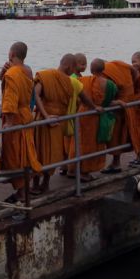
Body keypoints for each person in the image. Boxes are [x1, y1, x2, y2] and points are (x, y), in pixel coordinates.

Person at [33, 54, 97, 192]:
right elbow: (85, 99)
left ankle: (37, 184)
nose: (74, 72)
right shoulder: (71, 82)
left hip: (44, 120)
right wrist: (95, 108)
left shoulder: (46, 75)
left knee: (39, 153)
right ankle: (44, 183)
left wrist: (45, 115)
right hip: (57, 121)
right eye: (73, 68)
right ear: (68, 66)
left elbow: (35, 94)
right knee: (51, 154)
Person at [0, 41, 41, 196]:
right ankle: (24, 189)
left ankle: (21, 192)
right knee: (27, 153)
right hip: (26, 115)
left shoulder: (12, 74)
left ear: (11, 55)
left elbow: (10, 101)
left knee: (17, 156)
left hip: (16, 117)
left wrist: (9, 123)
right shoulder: (27, 71)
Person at [76, 59, 120, 180]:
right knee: (93, 144)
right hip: (98, 114)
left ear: (91, 69)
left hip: (83, 114)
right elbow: (110, 100)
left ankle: (77, 170)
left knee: (80, 142)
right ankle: (86, 172)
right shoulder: (110, 84)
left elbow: (78, 97)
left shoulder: (82, 81)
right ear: (103, 69)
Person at [102, 59, 139, 172]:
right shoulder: (120, 64)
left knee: (116, 135)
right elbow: (135, 73)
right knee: (128, 132)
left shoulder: (104, 73)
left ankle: (116, 163)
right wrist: (129, 86)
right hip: (129, 100)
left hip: (120, 105)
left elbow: (106, 94)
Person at [127, 52, 140, 167]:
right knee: (137, 132)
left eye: (135, 61)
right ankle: (139, 156)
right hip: (137, 104)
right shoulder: (136, 73)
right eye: (132, 62)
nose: (133, 64)